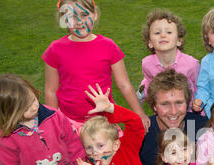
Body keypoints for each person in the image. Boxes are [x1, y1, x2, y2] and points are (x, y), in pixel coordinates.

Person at [43, 0, 150, 133]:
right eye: (71, 17)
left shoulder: (108, 46)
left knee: (108, 153)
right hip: (70, 123)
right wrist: (54, 122)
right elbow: (50, 91)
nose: (79, 21)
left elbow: (124, 85)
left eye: (84, 14)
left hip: (104, 121)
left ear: (95, 15)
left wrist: (139, 113)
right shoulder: (55, 49)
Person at [137, 8, 200, 112]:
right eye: (157, 33)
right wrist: (141, 95)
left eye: (169, 32)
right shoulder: (147, 64)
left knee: (190, 128)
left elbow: (200, 86)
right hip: (164, 113)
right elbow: (148, 82)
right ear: (150, 43)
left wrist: (198, 106)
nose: (163, 35)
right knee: (164, 128)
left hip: (189, 113)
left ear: (179, 41)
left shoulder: (191, 64)